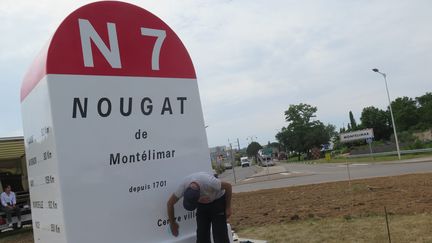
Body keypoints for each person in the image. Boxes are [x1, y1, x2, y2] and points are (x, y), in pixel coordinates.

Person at [167, 172, 232, 243]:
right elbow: (170, 204)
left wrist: (228, 207)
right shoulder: (183, 186)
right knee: (202, 235)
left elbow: (228, 186)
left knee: (220, 235)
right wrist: (172, 223)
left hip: (218, 201)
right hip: (202, 205)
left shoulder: (210, 182)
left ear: (199, 195)